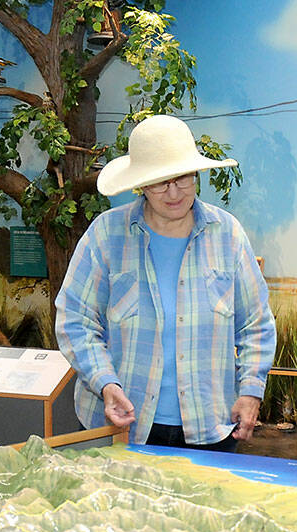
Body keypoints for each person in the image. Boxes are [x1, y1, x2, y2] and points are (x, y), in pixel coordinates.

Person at [56, 115, 276, 451]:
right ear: (141, 184)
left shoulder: (228, 234)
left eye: (183, 178)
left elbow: (256, 324)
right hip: (120, 427)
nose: (174, 192)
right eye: (161, 182)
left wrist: (250, 392)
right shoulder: (106, 235)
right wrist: (105, 382)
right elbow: (75, 320)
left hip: (211, 429)